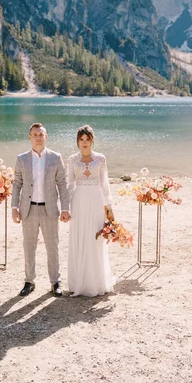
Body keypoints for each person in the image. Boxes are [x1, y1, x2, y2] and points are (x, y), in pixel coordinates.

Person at [11, 123, 71, 297]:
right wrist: (14, 208)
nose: (38, 137)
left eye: (41, 134)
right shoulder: (22, 158)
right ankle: (29, 281)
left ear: (46, 137)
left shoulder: (55, 157)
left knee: (53, 247)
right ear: (29, 137)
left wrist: (65, 208)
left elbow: (62, 184)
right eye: (34, 134)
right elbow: (17, 184)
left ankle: (55, 282)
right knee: (28, 247)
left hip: (50, 210)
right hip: (28, 210)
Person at [67, 125, 114, 297]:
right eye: (81, 139)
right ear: (77, 141)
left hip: (96, 201)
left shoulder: (101, 159)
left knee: (95, 239)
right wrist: (65, 207)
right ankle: (78, 282)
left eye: (87, 139)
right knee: (80, 238)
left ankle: (96, 283)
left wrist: (109, 207)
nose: (84, 143)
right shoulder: (72, 159)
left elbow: (105, 185)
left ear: (92, 141)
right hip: (78, 202)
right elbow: (69, 185)